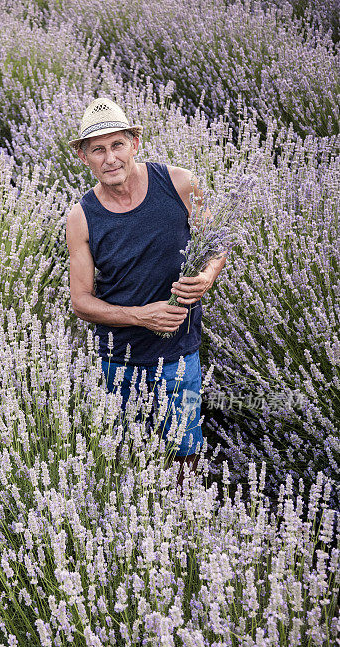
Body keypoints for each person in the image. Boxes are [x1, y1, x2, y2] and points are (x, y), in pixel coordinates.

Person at [65, 98, 227, 486]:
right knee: (127, 462)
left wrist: (207, 277)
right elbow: (80, 300)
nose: (110, 158)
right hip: (117, 363)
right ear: (83, 156)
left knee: (186, 455)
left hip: (180, 355)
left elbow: (217, 245)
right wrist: (141, 315)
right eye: (98, 150)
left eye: (117, 145)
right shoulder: (81, 217)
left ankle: (187, 525)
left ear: (135, 143)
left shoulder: (180, 183)